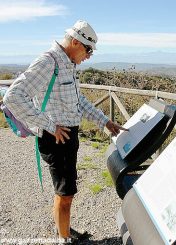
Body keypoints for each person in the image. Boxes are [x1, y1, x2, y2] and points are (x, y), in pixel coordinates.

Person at [3, 20, 127, 242]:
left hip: (67, 137)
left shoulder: (68, 64)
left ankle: (64, 230)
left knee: (65, 190)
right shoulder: (48, 62)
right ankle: (64, 239)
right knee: (65, 193)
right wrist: (50, 126)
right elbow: (13, 96)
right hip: (56, 139)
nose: (89, 56)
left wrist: (105, 122)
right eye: (88, 49)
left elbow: (78, 100)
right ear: (74, 42)